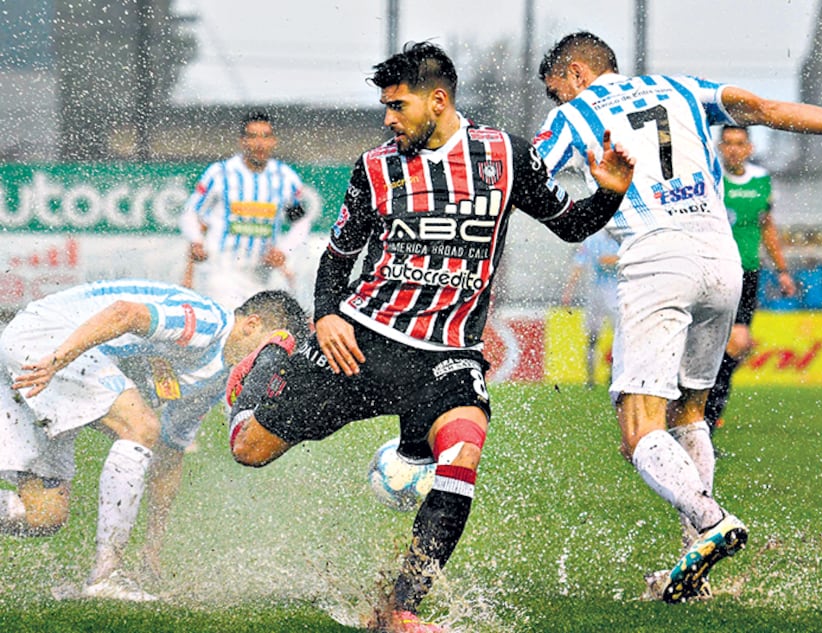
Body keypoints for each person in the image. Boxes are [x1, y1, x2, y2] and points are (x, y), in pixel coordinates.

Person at [223, 41, 634, 633]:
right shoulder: (374, 167)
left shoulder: (506, 155)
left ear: (437, 100)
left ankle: (402, 609)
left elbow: (569, 225)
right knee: (249, 450)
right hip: (362, 343)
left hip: (448, 355)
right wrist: (325, 316)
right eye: (385, 108)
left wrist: (610, 192)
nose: (388, 119)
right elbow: (338, 257)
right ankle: (269, 360)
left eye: (397, 105)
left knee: (463, 453)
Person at [533, 31, 822, 603]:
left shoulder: (576, 115)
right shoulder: (680, 88)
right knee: (690, 410)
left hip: (657, 256)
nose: (559, 102)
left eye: (557, 91)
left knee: (638, 427)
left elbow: (525, 177)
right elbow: (770, 111)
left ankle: (709, 519)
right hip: (722, 258)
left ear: (575, 73)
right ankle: (690, 560)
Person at [0, 280, 308, 601]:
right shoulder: (210, 322)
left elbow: (170, 452)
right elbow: (123, 313)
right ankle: (106, 576)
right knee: (140, 424)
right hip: (46, 340)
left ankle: (107, 574)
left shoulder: (216, 379)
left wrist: (153, 546)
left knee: (43, 516)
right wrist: (57, 359)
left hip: (44, 359)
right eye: (272, 350)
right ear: (251, 324)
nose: (272, 364)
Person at [703, 125, 796, 432]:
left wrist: (782, 270)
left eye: (739, 143)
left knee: (738, 342)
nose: (733, 149)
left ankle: (708, 416)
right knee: (707, 346)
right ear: (719, 146)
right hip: (712, 270)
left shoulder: (761, 181)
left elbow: (767, 226)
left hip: (747, 273)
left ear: (749, 148)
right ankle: (698, 412)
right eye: (727, 143)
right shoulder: (710, 178)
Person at [179, 110, 315, 310]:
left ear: (273, 141)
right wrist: (197, 241)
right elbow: (191, 212)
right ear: (242, 141)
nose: (259, 144)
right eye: (252, 137)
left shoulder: (285, 178)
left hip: (262, 272)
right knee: (233, 325)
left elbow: (301, 223)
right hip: (223, 269)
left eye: (265, 136)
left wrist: (284, 250)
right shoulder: (220, 174)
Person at [560, 229, 619, 387]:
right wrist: (568, 291)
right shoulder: (593, 239)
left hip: (616, 293)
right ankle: (590, 377)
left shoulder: (621, 236)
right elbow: (580, 264)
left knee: (619, 337)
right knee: (593, 337)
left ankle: (614, 374)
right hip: (597, 293)